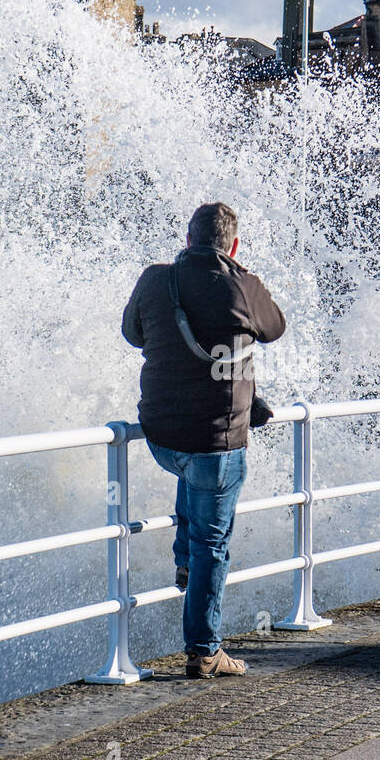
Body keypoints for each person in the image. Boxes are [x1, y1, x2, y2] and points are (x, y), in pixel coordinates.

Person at [121, 202, 286, 678]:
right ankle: (204, 651)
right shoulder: (241, 284)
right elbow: (273, 327)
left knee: (192, 488)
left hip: (162, 437)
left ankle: (183, 564)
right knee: (212, 543)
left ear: (187, 239)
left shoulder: (157, 279)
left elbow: (133, 334)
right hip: (215, 441)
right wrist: (244, 278)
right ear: (232, 245)